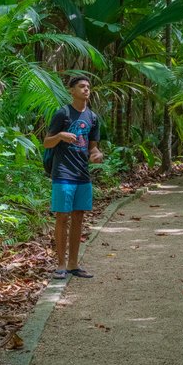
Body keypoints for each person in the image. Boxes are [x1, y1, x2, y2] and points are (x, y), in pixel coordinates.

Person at [45, 74, 105, 279]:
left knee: (79, 217)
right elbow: (46, 142)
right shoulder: (62, 113)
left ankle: (73, 264)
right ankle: (60, 265)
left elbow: (93, 148)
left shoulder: (93, 117)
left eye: (88, 86)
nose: (86, 89)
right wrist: (61, 135)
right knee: (62, 217)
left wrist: (97, 155)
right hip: (63, 173)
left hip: (82, 174)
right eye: (81, 86)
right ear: (72, 90)